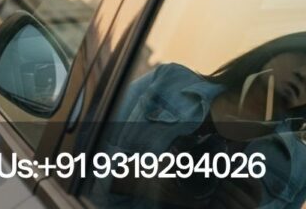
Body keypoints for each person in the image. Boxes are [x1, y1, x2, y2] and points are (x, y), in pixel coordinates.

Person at [91, 32, 306, 208]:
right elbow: (79, 146)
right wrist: (131, 178)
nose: (304, 74)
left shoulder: (300, 169)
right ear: (283, 47)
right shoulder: (168, 83)